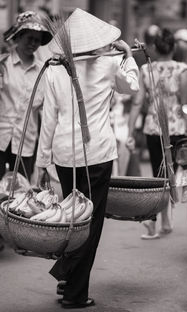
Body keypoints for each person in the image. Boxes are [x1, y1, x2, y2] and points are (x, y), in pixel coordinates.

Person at [36, 8, 139, 309]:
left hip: (64, 156)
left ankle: (66, 277)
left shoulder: (55, 69)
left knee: (72, 219)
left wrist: (43, 161)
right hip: (96, 155)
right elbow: (131, 86)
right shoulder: (108, 64)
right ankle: (74, 293)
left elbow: (49, 120)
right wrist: (127, 55)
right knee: (89, 225)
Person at [127, 28, 187, 239]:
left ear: (156, 48)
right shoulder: (183, 70)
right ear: (174, 47)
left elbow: (137, 102)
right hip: (177, 131)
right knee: (171, 176)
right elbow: (185, 105)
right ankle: (160, 221)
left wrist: (131, 131)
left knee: (159, 178)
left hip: (153, 128)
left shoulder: (146, 69)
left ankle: (161, 221)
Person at [0, 11, 52, 182]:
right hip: (1, 136)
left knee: (20, 194)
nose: (33, 43)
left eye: (37, 40)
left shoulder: (43, 71)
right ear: (19, 36)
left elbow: (46, 111)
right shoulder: (3, 65)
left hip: (26, 142)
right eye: (29, 38)